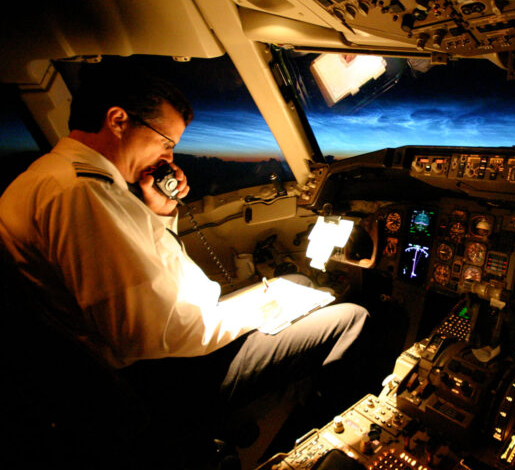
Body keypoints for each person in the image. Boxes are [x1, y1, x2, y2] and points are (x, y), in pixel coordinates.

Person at [0, 66, 369, 453]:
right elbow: (144, 335)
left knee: (299, 285)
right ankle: (307, 453)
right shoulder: (79, 194)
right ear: (118, 120)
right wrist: (261, 309)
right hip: (166, 377)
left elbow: (146, 276)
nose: (168, 157)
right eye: (166, 143)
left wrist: (159, 213)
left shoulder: (59, 178)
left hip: (153, 360)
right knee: (351, 320)